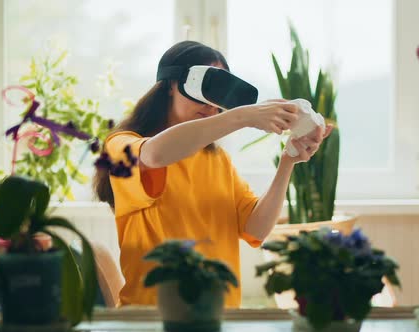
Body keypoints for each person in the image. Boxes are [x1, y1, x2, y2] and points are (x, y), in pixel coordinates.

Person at [93, 40, 333, 307]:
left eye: (219, 95)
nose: (210, 105)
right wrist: (244, 117)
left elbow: (257, 228)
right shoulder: (120, 146)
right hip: (157, 319)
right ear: (171, 85)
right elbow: (155, 155)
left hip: (220, 317)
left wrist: (288, 161)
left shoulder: (217, 159)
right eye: (205, 88)